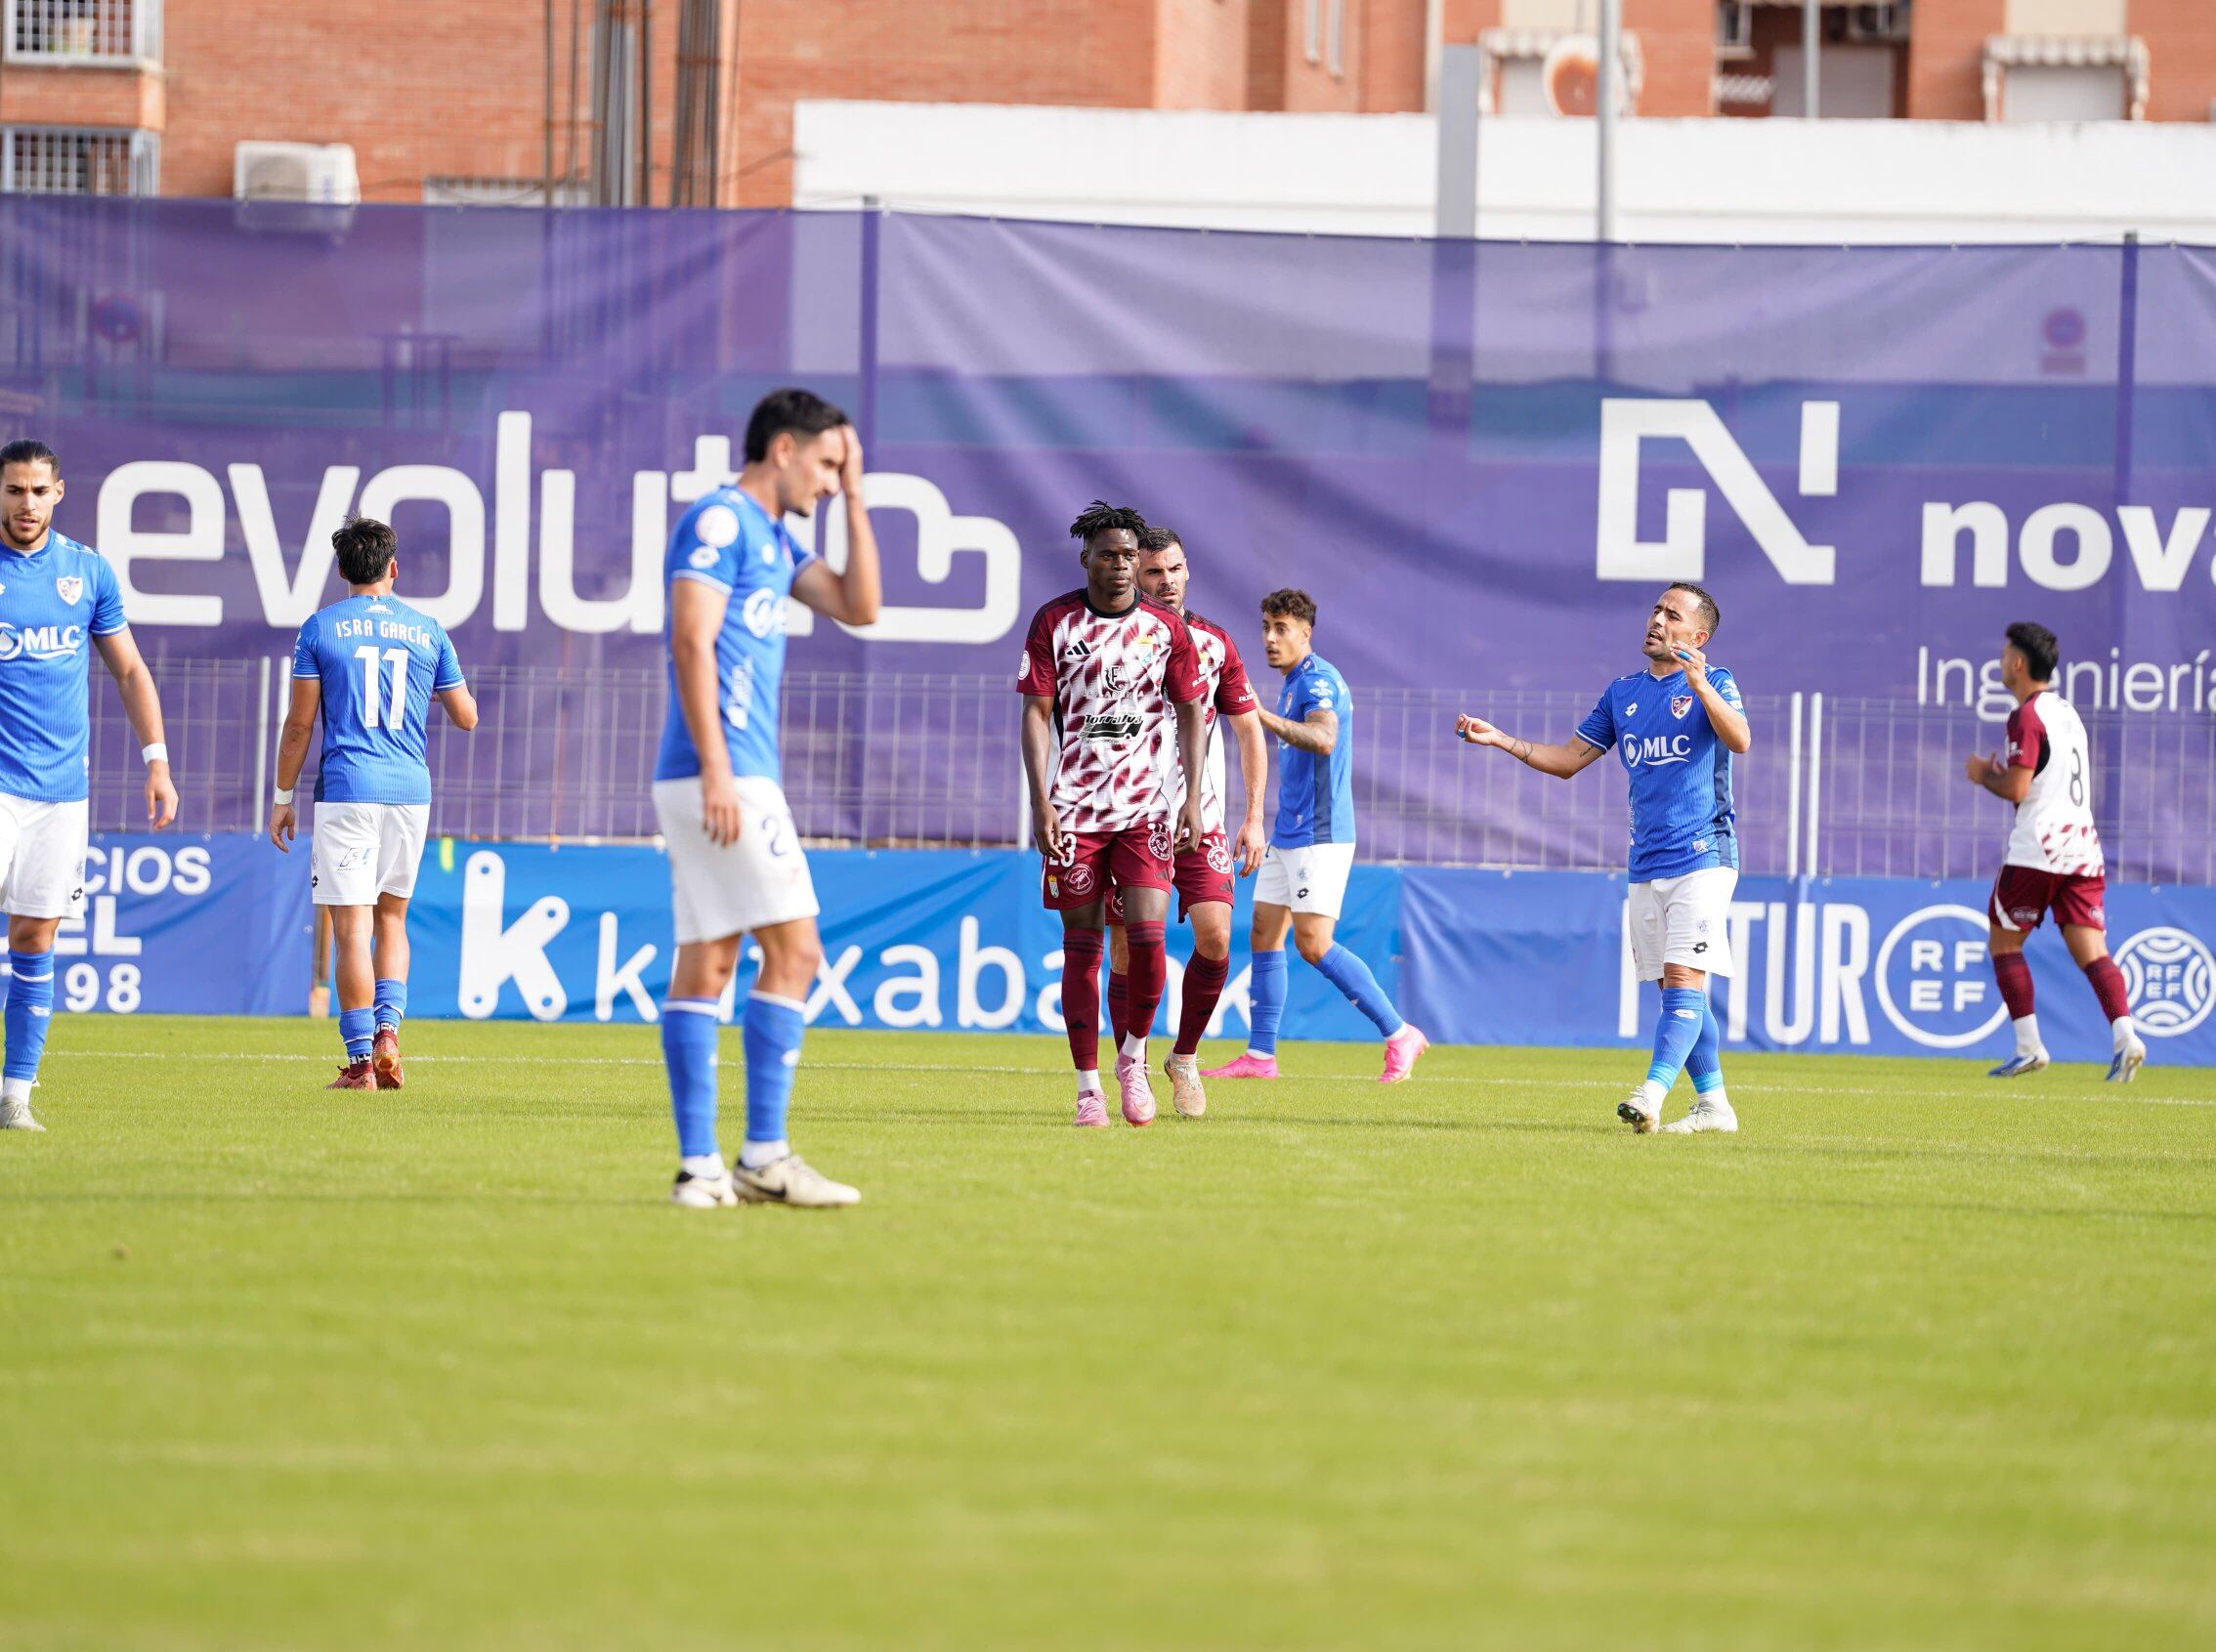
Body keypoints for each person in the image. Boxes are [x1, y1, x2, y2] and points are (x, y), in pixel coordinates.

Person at [655, 387, 880, 1207]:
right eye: (826, 464)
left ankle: (701, 1170)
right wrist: (717, 767)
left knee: (711, 959)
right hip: (725, 771)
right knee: (797, 953)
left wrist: (857, 492)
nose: (827, 483)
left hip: (716, 771)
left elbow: (862, 606)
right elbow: (691, 637)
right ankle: (763, 1154)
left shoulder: (776, 541)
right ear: (782, 448)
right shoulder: (720, 522)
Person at [1454, 584, 1748, 1133]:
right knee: (1678, 991)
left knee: (1684, 980)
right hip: (1647, 862)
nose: (1657, 619)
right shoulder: (1623, 694)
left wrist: (1701, 685)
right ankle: (1715, 1106)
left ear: (1697, 636)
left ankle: (1652, 1094)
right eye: (1656, 609)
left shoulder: (1716, 682)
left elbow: (1740, 740)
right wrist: (1502, 741)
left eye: (1672, 614)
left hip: (1705, 854)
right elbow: (1568, 760)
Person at [0, 439, 177, 1133]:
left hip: (59, 795)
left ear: (59, 493)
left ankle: (15, 1096)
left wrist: (156, 761)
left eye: (38, 491)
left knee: (36, 935)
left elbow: (131, 671)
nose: (26, 503)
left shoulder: (86, 572)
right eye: (15, 490)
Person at [1019, 502, 1208, 1128]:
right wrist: (1041, 799)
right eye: (1110, 555)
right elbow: (1036, 714)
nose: (1122, 566)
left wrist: (1191, 797)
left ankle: (1132, 1057)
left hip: (1144, 811)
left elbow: (1189, 714)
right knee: (1083, 949)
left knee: (1151, 942)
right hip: (1075, 812)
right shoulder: (1055, 622)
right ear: (1087, 559)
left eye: (1130, 556)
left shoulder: (1164, 630)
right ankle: (1087, 1088)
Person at [272, 517, 477, 1090]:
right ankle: (390, 1030)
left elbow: (298, 726)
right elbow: (466, 716)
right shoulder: (428, 630)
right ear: (393, 568)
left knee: (351, 929)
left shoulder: (319, 629)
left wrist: (283, 798)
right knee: (393, 920)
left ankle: (362, 1061)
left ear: (341, 571)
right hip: (410, 792)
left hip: (346, 791)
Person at [1205, 589, 1427, 1084]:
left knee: (1313, 943)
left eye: (1281, 628)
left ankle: (1399, 1034)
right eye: (1265, 626)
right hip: (1288, 833)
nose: (1269, 637)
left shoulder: (1318, 680)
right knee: (1264, 933)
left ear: (1306, 632)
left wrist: (1257, 715)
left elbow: (1324, 737)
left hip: (1320, 835)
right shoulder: (1292, 683)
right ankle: (1260, 1056)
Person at [1102, 526, 1267, 1118]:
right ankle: (1132, 1060)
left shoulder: (1215, 643)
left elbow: (1249, 729)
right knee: (1124, 950)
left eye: (1173, 569)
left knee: (1218, 936)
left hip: (1205, 821)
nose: (1165, 582)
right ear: (1132, 576)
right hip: (1129, 820)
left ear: (1188, 570)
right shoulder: (1112, 641)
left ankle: (1186, 1057)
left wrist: (1253, 819)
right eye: (1152, 572)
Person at [1965, 621, 2145, 1082]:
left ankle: (2029, 1047)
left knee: (2004, 941)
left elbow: (2020, 786)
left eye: (2006, 655)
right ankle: (2126, 1036)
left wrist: (1985, 774)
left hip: (2039, 848)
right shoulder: (2066, 712)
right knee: (2092, 948)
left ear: (2019, 663)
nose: (2002, 661)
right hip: (2083, 847)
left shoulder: (2027, 715)